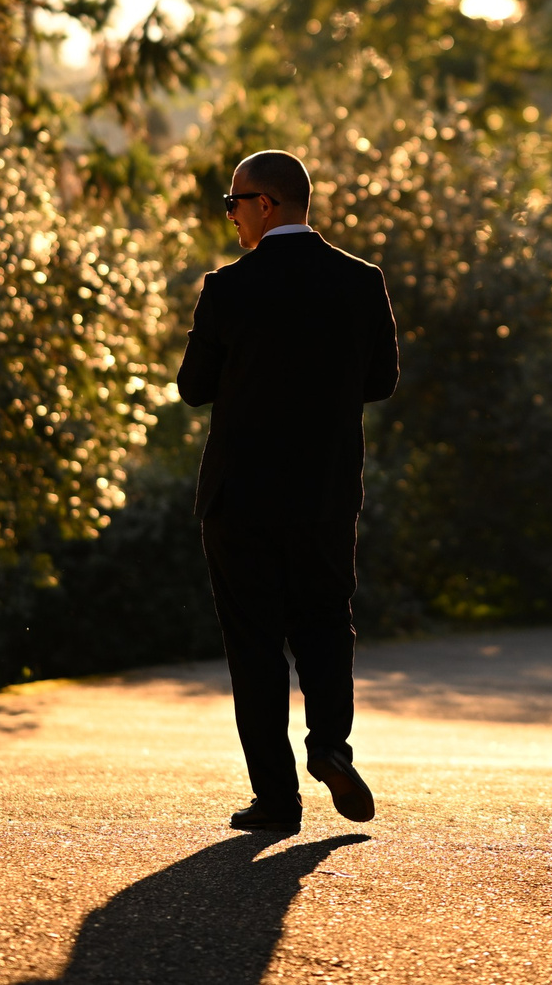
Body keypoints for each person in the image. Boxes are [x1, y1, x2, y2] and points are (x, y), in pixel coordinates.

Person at [177, 149, 400, 834]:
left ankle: (277, 801)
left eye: (234, 201)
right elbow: (382, 380)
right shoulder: (361, 282)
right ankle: (330, 744)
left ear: (265, 204)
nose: (231, 214)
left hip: (239, 497)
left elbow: (192, 387)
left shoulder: (228, 288)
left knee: (255, 646)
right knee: (326, 624)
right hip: (325, 493)